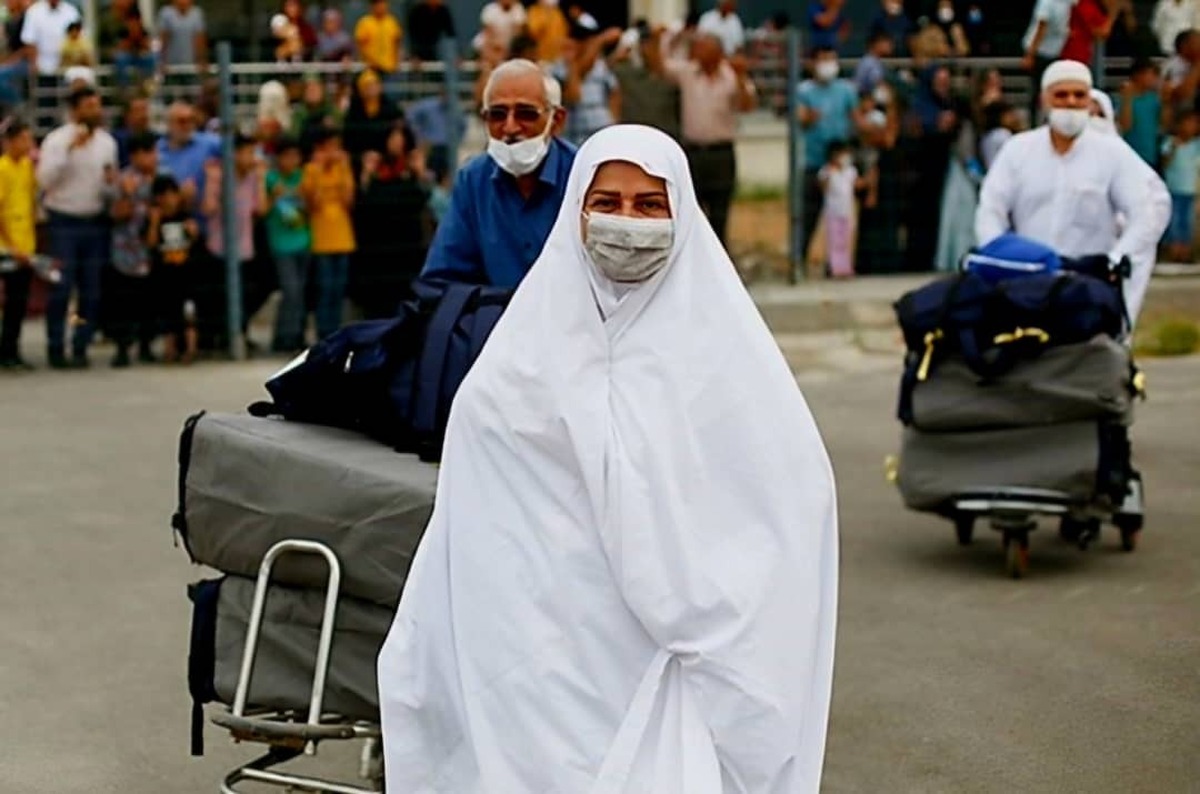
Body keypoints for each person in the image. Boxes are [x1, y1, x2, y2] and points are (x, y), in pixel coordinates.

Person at [377, 123, 839, 793]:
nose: (627, 223)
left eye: (650, 205)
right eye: (608, 202)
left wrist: (699, 599)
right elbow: (481, 527)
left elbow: (792, 497)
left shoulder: (726, 357)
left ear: (683, 214)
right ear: (577, 212)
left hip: (676, 666)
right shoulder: (517, 361)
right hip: (543, 663)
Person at [976, 60, 1170, 324]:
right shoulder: (1017, 150)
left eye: (1079, 95)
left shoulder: (1111, 152)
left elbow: (1149, 208)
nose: (1070, 102)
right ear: (1045, 99)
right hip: (1026, 284)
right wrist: (1000, 256)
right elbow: (991, 209)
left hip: (1087, 288)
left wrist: (1117, 258)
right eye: (1061, 94)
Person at [420, 59, 573, 288]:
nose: (510, 128)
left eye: (526, 114)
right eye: (497, 114)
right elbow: (443, 278)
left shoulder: (583, 175)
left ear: (556, 121)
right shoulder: (473, 180)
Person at [37, 85, 117, 369]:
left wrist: (112, 185)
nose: (95, 111)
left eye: (97, 105)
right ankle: (56, 346)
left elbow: (109, 185)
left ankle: (81, 344)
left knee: (90, 290)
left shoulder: (107, 143)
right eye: (89, 106)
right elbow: (44, 180)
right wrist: (70, 151)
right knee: (61, 287)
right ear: (75, 111)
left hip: (94, 220)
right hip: (64, 220)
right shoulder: (56, 141)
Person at [666, 31, 756, 248]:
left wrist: (741, 77)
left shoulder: (732, 75)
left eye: (702, 47)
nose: (696, 51)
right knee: (689, 212)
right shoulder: (688, 73)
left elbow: (747, 106)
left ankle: (718, 256)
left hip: (721, 154)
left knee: (719, 213)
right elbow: (662, 66)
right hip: (693, 152)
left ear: (717, 52)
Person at [353, 122, 430, 317]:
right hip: (379, 247)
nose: (397, 141)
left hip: (407, 246)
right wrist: (366, 176)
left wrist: (420, 174)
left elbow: (421, 200)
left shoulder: (410, 170)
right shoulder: (375, 169)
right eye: (393, 136)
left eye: (400, 137)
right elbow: (364, 204)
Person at [104, 131, 160, 368]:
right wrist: (127, 194)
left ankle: (147, 345)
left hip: (151, 250)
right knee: (124, 303)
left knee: (149, 301)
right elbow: (116, 214)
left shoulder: (162, 178)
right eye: (148, 152)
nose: (153, 157)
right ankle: (122, 348)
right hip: (125, 250)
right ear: (135, 155)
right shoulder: (122, 180)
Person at [797, 47, 858, 251]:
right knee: (808, 214)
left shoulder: (846, 90)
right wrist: (808, 117)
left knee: (841, 216)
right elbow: (800, 118)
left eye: (832, 59)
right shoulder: (804, 91)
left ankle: (837, 260)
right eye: (823, 59)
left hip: (840, 164)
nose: (828, 65)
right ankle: (800, 256)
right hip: (814, 160)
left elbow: (855, 119)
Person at [302, 128, 356, 339]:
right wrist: (318, 170)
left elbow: (348, 200)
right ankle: (323, 331)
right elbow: (312, 203)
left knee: (338, 290)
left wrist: (343, 169)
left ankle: (335, 331)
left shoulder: (342, 169)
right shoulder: (310, 170)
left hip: (343, 238)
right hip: (321, 239)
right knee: (324, 289)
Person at [146, 174, 200, 363]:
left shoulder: (185, 217)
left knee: (189, 314)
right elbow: (150, 243)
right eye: (163, 196)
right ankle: (170, 349)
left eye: (172, 195)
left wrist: (193, 232)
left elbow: (195, 243)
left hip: (186, 275)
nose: (169, 200)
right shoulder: (156, 219)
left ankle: (191, 349)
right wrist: (154, 222)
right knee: (168, 314)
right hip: (164, 276)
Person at [264, 136, 311, 353]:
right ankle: (284, 336)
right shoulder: (270, 178)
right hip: (281, 243)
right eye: (287, 156)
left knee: (300, 292)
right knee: (290, 290)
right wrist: (274, 196)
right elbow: (262, 210)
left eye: (295, 156)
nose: (291, 161)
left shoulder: (303, 177)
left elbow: (312, 206)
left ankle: (297, 334)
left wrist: (305, 195)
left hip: (303, 240)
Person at [0, 120, 37, 370]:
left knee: (18, 302)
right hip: (6, 246)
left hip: (25, 243)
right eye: (24, 139)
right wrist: (11, 246)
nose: (28, 144)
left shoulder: (26, 166)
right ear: (10, 141)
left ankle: (11, 350)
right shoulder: (2, 168)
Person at [612, 23, 681, 140]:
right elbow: (606, 68)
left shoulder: (675, 74)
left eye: (655, 44)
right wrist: (620, 52)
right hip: (636, 138)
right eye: (645, 44)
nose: (649, 49)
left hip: (666, 138)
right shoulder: (627, 73)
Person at [1021, 0, 1073, 123]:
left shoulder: (1047, 3)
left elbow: (1042, 27)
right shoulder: (1066, 3)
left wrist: (1030, 54)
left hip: (1043, 52)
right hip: (1055, 51)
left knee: (1039, 91)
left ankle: (1037, 121)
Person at [818, 139, 865, 278]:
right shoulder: (826, 171)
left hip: (847, 212)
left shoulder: (850, 171)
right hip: (833, 212)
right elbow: (823, 187)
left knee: (845, 240)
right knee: (834, 241)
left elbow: (858, 184)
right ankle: (834, 267)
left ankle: (845, 267)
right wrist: (830, 173)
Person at [1160, 111, 1200, 262]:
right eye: (1188, 122)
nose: (1192, 126)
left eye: (1195, 123)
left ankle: (1185, 253)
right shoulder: (1170, 142)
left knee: (1187, 223)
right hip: (1173, 190)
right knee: (1174, 221)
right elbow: (1165, 163)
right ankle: (1174, 253)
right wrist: (1174, 148)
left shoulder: (1197, 145)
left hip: (1190, 191)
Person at [1116, 59, 1167, 167]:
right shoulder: (1119, 98)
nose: (1154, 78)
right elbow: (1125, 127)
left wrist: (1165, 99)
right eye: (1151, 74)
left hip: (1150, 156)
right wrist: (1127, 98)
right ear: (1137, 75)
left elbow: (1163, 125)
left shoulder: (1154, 99)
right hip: (1128, 156)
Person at [20, 0, 81, 78]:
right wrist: (34, 63)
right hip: (41, 64)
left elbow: (78, 38)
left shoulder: (71, 12)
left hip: (67, 64)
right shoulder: (34, 11)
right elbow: (29, 40)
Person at [355, 0, 403, 85]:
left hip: (389, 67)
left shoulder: (392, 22)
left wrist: (397, 60)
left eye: (383, 4)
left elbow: (397, 43)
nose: (381, 7)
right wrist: (368, 60)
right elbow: (359, 45)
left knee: (391, 90)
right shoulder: (365, 23)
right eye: (378, 4)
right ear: (372, 6)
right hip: (371, 69)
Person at [855, 29, 893, 93]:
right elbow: (878, 84)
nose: (890, 45)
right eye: (886, 42)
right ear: (877, 44)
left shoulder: (873, 60)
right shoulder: (869, 62)